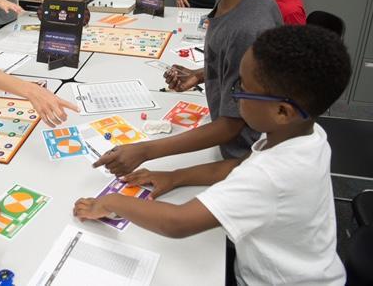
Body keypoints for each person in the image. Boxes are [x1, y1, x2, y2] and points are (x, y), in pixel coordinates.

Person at [75, 25, 349, 285]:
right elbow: (238, 167)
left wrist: (111, 202)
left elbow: (177, 222)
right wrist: (175, 176)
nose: (234, 94)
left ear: (281, 112)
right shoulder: (306, 134)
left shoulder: (271, 175)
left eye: (241, 88)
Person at [95, 0, 282, 176]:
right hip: (228, 149)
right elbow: (239, 70)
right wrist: (200, 74)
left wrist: (146, 150)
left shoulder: (250, 25)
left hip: (243, 162)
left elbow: (232, 124)